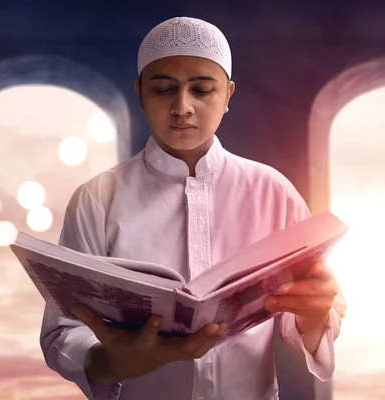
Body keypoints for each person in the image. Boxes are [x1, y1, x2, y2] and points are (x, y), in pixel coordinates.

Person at [40, 16, 346, 400]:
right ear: (140, 94)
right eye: (164, 89)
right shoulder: (97, 198)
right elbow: (63, 332)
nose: (182, 107)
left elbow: (298, 318)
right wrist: (116, 362)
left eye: (201, 90)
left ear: (228, 95)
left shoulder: (273, 190)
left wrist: (315, 313)